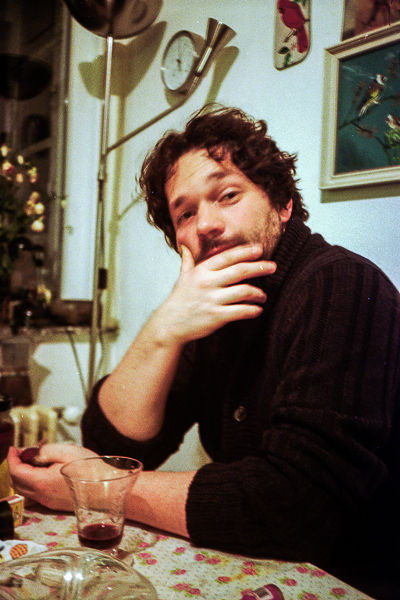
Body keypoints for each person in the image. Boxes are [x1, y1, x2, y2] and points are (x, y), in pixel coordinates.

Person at [8, 106, 400, 599]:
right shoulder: (212, 308)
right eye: (186, 213)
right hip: (261, 569)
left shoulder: (340, 282)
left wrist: (103, 491)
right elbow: (117, 446)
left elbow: (297, 504)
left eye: (227, 195)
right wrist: (163, 329)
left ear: (282, 204)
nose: (206, 224)